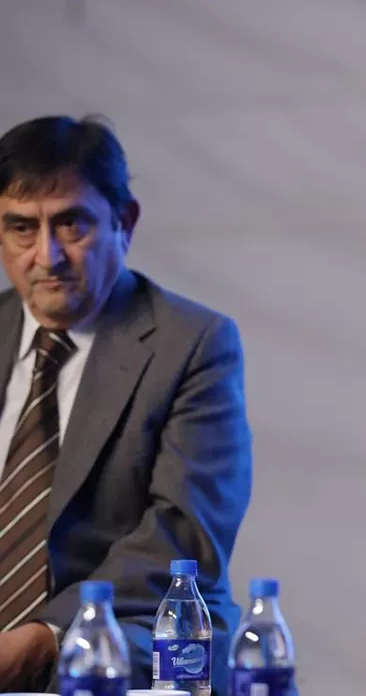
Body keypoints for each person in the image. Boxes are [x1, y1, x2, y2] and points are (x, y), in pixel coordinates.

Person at [0, 115, 252, 691]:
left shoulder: (193, 342)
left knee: (120, 655)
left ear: (125, 221)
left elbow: (184, 533)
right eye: (21, 228)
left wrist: (42, 636)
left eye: (71, 224)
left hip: (134, 625)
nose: (48, 256)